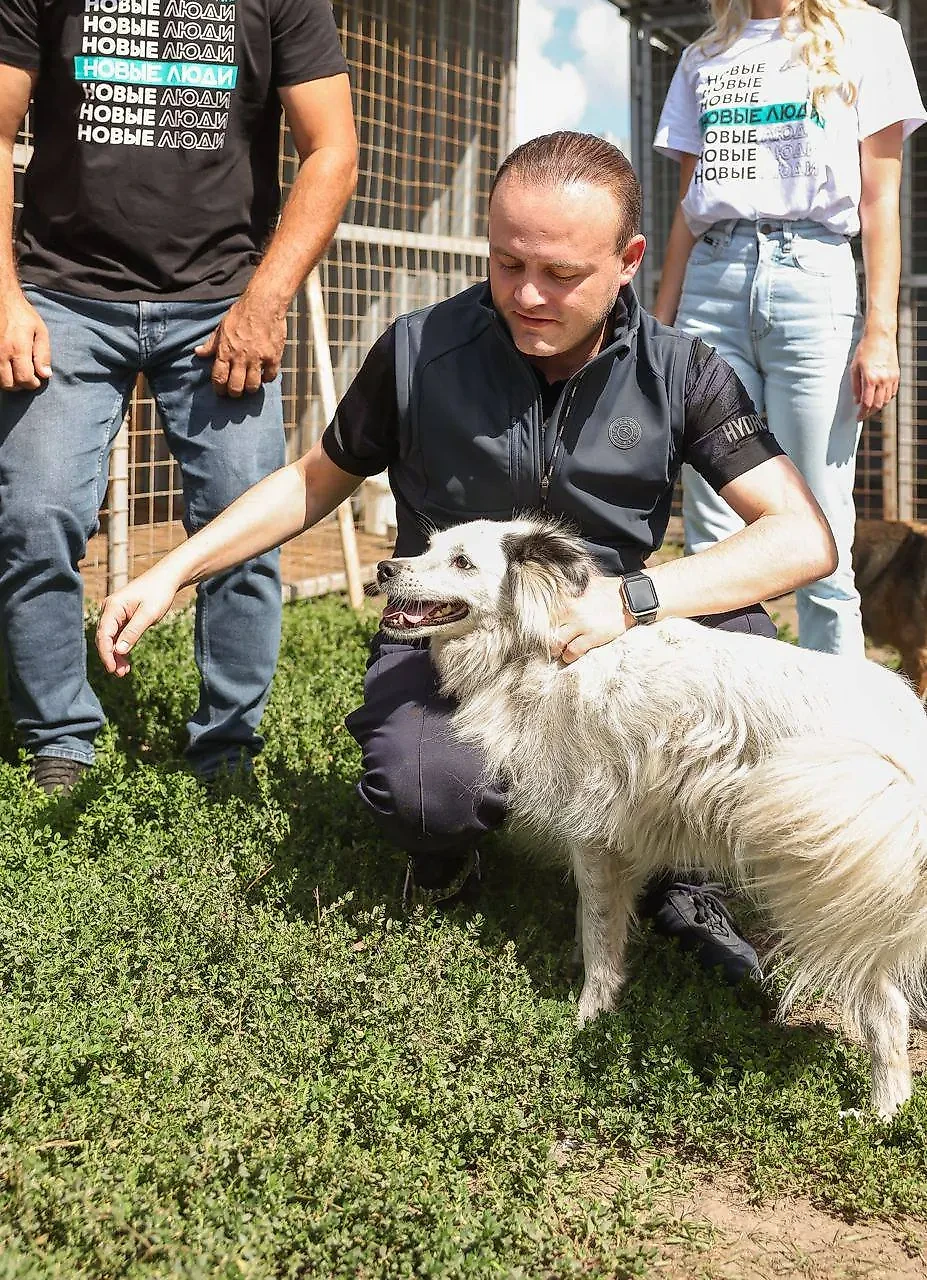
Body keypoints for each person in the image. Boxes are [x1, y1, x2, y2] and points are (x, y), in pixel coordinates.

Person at [96, 132, 838, 982]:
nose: (526, 295)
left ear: (629, 260)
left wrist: (627, 600)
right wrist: (170, 569)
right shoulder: (419, 348)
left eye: (560, 274)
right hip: (455, 634)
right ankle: (452, 851)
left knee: (739, 650)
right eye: (506, 261)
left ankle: (677, 874)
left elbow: (800, 537)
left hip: (610, 637)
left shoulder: (682, 371)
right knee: (428, 793)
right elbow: (313, 482)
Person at [0, 0, 358, 793]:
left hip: (222, 304)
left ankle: (227, 747)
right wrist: (3, 294)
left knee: (246, 526)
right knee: (33, 515)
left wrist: (266, 299)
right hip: (64, 296)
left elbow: (330, 147)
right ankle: (58, 735)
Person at [652, 0, 926, 656]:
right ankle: (727, 729)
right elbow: (689, 209)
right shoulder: (702, 56)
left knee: (822, 530)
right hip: (710, 282)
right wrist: (658, 327)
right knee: (710, 531)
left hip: (813, 278)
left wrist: (879, 331)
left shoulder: (867, 35)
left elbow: (879, 198)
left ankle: (840, 737)